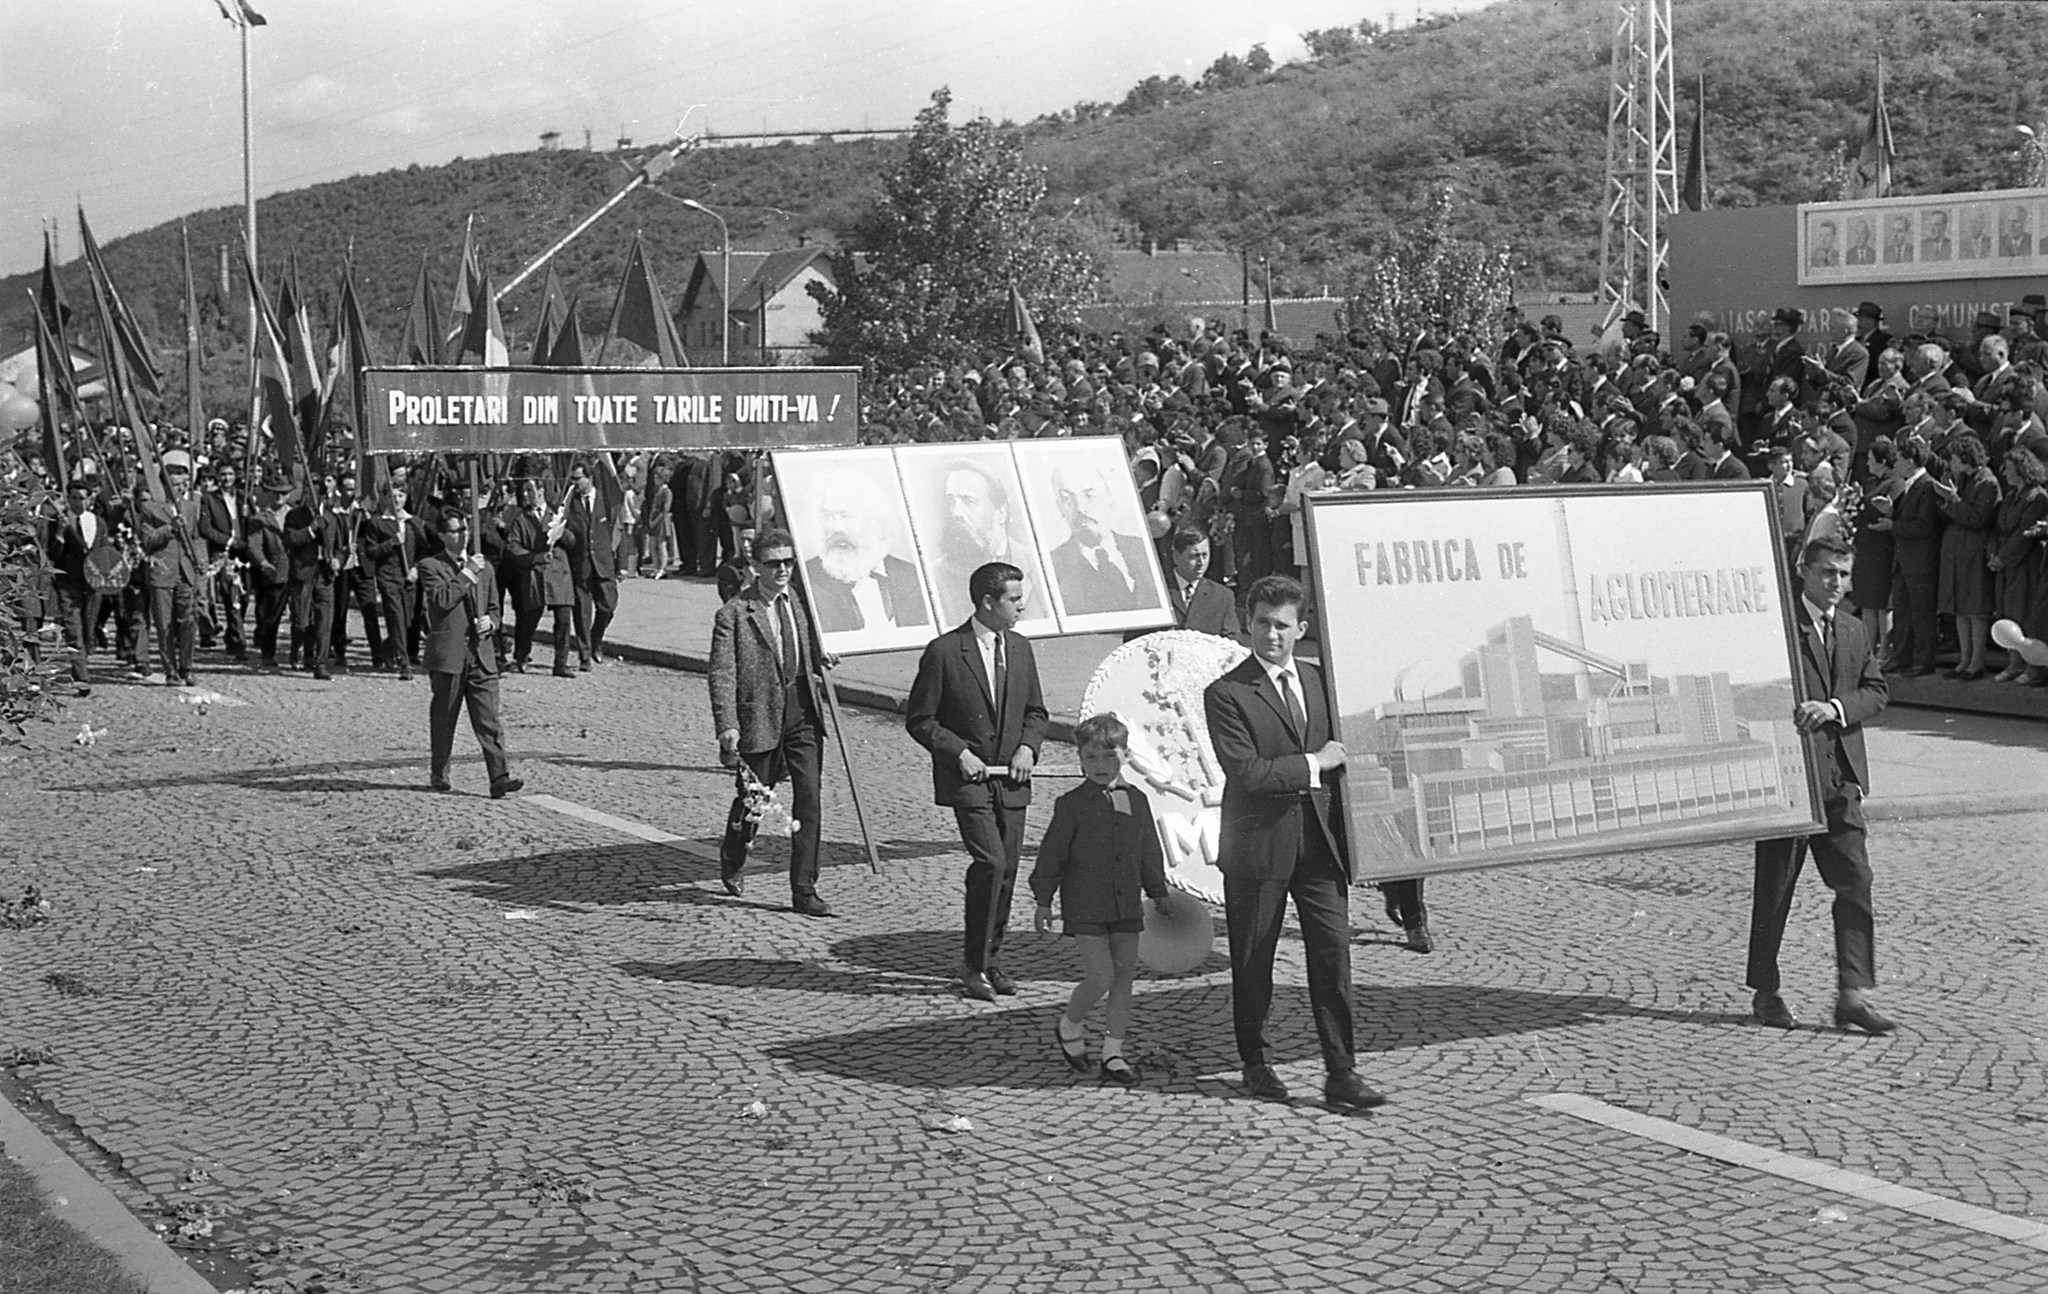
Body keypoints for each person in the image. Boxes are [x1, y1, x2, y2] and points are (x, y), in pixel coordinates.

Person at [1204, 574, 1384, 1112]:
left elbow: (1354, 741)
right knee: (1254, 959)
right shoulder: (1228, 692)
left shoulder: (1322, 681)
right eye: (1262, 624)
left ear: (1301, 628)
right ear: (1247, 624)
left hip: (1320, 847)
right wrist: (1314, 763)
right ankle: (1256, 1062)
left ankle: (1341, 1071)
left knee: (1332, 957)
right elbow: (1247, 772)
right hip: (1259, 847)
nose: (1272, 636)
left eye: (1283, 626)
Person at [1747, 538, 1895, 1035]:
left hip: (1839, 781)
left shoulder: (1853, 629)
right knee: (1775, 891)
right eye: (1829, 573)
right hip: (1789, 777)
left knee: (1856, 882)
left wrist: (1835, 709)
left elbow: (1877, 691)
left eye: (1844, 575)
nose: (1837, 584)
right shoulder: (1777, 626)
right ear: (1803, 570)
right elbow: (1752, 688)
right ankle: (1766, 992)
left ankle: (1850, 995)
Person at [906, 561, 1049, 1002]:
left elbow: (1036, 713)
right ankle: (972, 964)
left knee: (1005, 874)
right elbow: (920, 720)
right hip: (969, 781)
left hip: (1011, 781)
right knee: (991, 864)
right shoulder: (945, 652)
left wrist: (1028, 748)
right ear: (988, 602)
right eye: (1014, 599)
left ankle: (989, 959)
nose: (1022, 607)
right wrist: (960, 754)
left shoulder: (1021, 649)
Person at [1029, 712, 1174, 1085]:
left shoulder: (1136, 800)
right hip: (1086, 904)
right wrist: (1043, 899)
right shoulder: (1071, 805)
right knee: (1101, 975)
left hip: (1126, 903)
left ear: (1126, 755)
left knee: (1124, 977)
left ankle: (1113, 1053)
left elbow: (1148, 851)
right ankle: (1070, 1024)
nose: (1101, 766)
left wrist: (1157, 892)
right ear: (1079, 758)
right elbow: (1051, 856)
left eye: (1110, 756)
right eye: (1091, 757)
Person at [708, 527, 834, 917]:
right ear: (754, 566)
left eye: (788, 562)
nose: (783, 570)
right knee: (754, 801)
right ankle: (733, 852)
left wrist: (821, 657)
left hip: (802, 713)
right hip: (759, 717)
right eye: (773, 563)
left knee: (809, 800)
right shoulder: (733, 614)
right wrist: (727, 724)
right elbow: (722, 673)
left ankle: (804, 890)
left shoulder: (795, 599)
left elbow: (805, 646)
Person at [419, 510, 522, 799]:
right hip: (449, 656)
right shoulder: (431, 566)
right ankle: (439, 771)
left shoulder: (485, 568)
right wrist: (466, 574)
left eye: (464, 528)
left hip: (481, 655)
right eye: (454, 531)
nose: (462, 534)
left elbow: (494, 607)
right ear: (442, 535)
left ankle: (499, 776)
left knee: (488, 720)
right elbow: (441, 601)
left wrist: (492, 622)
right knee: (444, 718)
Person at [924, 459, 1043, 627]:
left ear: (1001, 512)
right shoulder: (937, 576)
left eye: (969, 501)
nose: (956, 512)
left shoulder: (1038, 565)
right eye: (952, 502)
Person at [804, 481, 930, 634]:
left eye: (846, 516)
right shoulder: (808, 580)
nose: (836, 527)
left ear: (876, 522)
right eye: (827, 517)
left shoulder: (913, 578)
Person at [1046, 459, 1161, 615]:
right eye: (1067, 498)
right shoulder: (1052, 565)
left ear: (1110, 500)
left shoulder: (1143, 549)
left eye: (1089, 495)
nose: (1080, 508)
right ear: (1059, 507)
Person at [136, 451, 206, 686]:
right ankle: (171, 670)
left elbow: (197, 537)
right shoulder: (151, 508)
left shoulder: (191, 507)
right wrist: (169, 528)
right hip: (162, 572)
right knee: (164, 624)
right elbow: (147, 540)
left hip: (185, 571)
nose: (180, 489)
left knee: (188, 620)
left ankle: (187, 666)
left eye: (183, 484)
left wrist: (201, 560)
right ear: (165, 484)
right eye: (175, 484)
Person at [43, 478, 105, 696]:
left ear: (89, 499)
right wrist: (60, 534)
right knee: (73, 630)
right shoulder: (60, 522)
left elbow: (104, 553)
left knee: (88, 631)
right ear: (68, 499)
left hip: (92, 585)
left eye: (82, 498)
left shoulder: (98, 522)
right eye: (74, 498)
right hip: (68, 584)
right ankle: (82, 677)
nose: (78, 502)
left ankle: (81, 663)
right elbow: (53, 555)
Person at [359, 481, 421, 681]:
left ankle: (387, 648)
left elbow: (423, 551)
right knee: (395, 618)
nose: (397, 500)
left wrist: (416, 569)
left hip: (409, 577)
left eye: (401, 496)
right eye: (393, 496)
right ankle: (404, 664)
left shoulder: (414, 522)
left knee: (408, 620)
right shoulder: (378, 523)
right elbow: (371, 551)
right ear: (385, 498)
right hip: (388, 577)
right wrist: (393, 542)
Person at [1134, 529, 1241, 640]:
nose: (1201, 563)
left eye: (1205, 555)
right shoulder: (1154, 591)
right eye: (1194, 556)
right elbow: (1135, 639)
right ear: (1176, 557)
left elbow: (1232, 641)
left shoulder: (1222, 596)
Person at [563, 461, 619, 667]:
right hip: (581, 564)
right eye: (573, 479)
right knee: (582, 612)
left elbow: (616, 529)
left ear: (590, 478)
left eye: (578, 479)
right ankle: (585, 655)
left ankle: (596, 639)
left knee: (608, 605)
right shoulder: (571, 502)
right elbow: (566, 529)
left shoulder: (605, 500)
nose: (574, 483)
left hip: (603, 563)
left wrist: (621, 565)